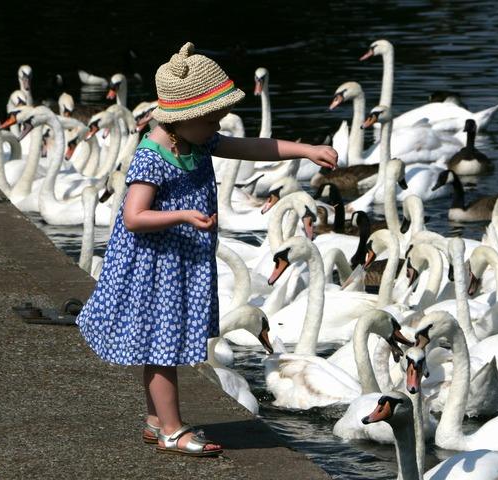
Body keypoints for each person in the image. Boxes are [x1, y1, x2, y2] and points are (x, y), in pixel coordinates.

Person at [76, 42, 337, 457]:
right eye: (211, 120)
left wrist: (305, 150)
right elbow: (133, 216)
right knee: (162, 348)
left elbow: (253, 148)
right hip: (154, 267)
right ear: (182, 118)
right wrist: (181, 215)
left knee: (159, 343)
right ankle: (172, 431)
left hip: (177, 262)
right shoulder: (152, 157)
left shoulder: (195, 141)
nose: (217, 130)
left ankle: (156, 420)